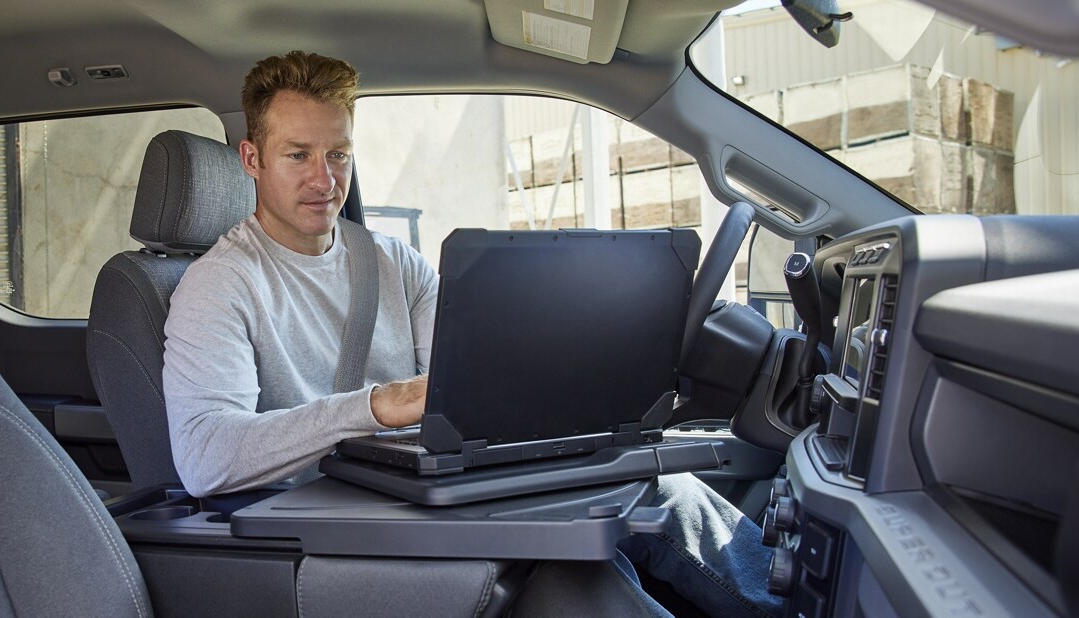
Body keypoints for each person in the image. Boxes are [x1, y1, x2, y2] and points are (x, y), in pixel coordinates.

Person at [162, 50, 782, 618]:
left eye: (339, 155)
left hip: (422, 483)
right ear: (252, 159)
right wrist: (378, 407)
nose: (324, 180)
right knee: (576, 580)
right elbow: (206, 458)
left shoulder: (390, 262)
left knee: (660, 488)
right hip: (325, 518)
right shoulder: (219, 285)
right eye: (298, 155)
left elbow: (471, 383)